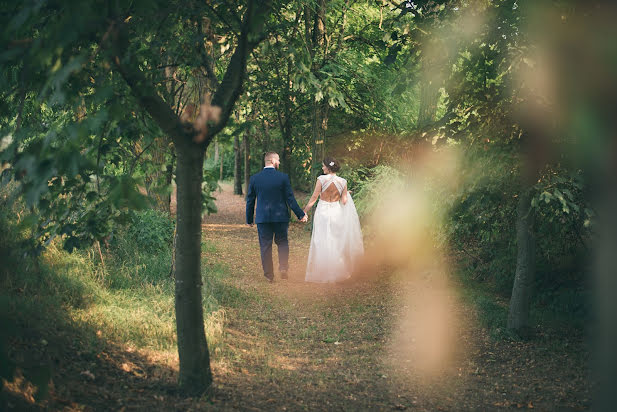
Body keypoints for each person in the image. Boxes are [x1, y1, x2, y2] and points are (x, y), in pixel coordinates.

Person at [246, 152, 308, 282]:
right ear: (273, 161)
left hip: (263, 218)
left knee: (265, 246)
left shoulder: (255, 178)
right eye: (278, 160)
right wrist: (300, 214)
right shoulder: (283, 177)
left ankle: (269, 275)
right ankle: (283, 267)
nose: (279, 163)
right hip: (280, 217)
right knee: (282, 242)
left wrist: (249, 219)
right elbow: (290, 198)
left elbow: (250, 200)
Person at [303, 157, 364, 283]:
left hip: (323, 211)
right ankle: (336, 272)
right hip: (336, 211)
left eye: (323, 166)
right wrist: (347, 194)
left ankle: (321, 272)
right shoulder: (343, 182)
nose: (322, 168)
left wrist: (304, 211)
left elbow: (314, 197)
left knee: (321, 240)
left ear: (328, 167)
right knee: (336, 241)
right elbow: (344, 201)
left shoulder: (321, 179)